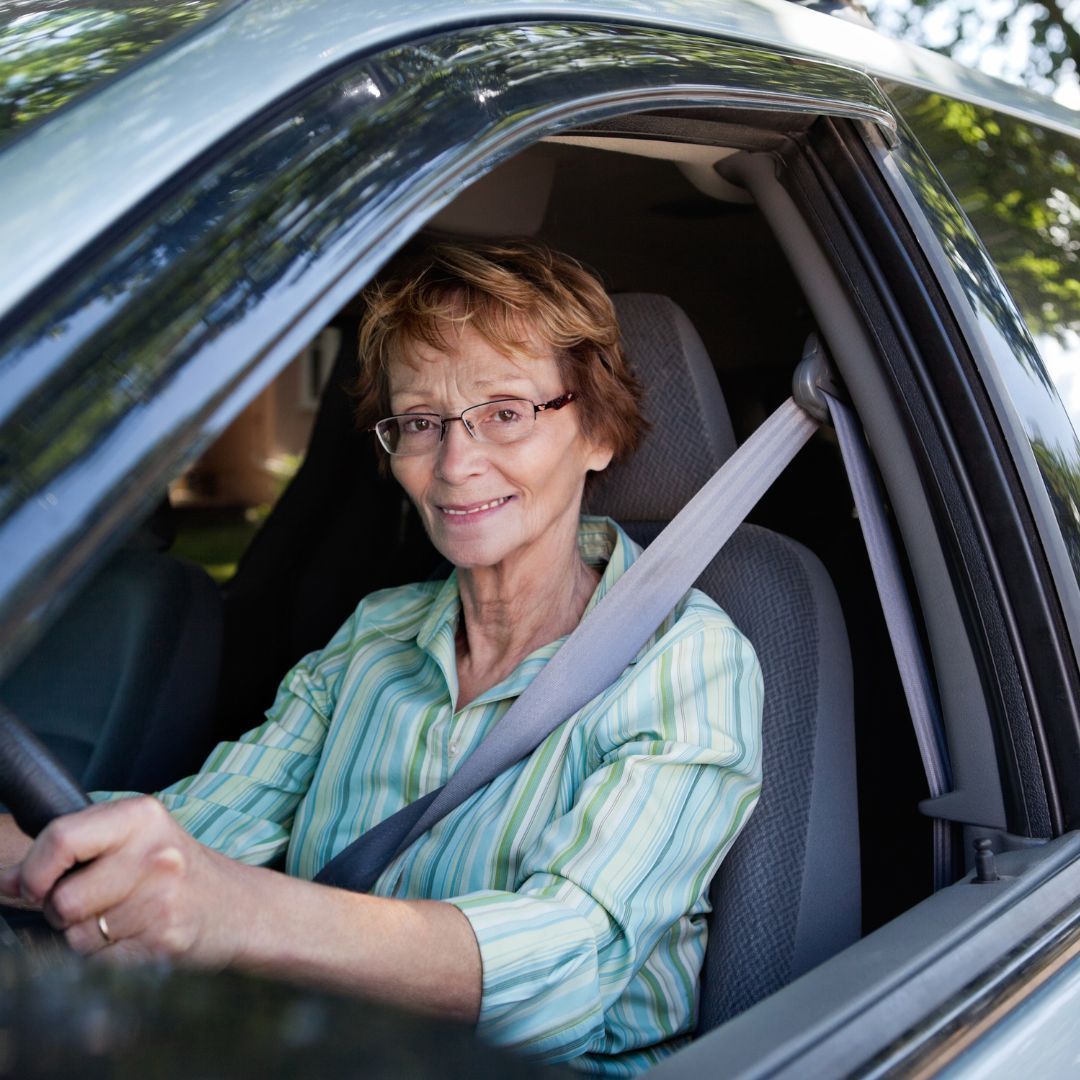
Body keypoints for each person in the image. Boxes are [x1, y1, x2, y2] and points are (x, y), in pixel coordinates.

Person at [0, 240, 762, 1074]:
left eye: (505, 412)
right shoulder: (375, 636)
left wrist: (244, 914)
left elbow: (566, 963)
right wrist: (41, 856)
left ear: (598, 432)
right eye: (421, 423)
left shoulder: (687, 661)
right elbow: (196, 830)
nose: (456, 463)